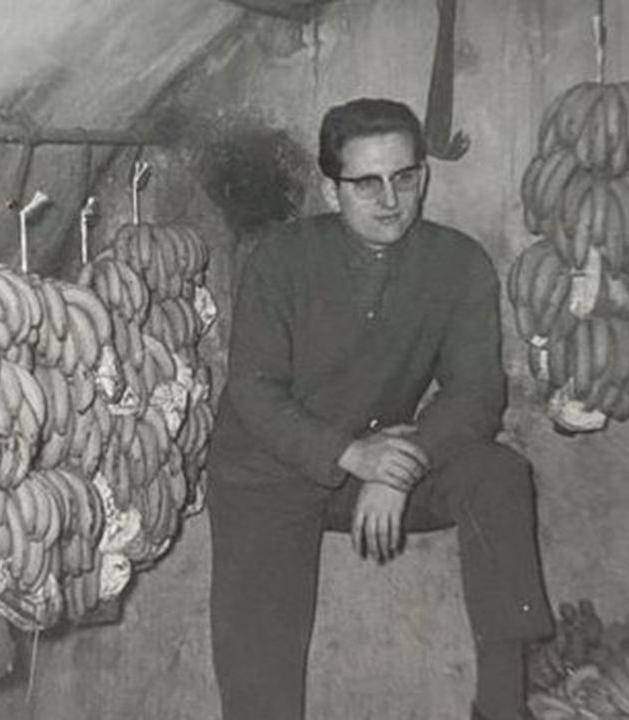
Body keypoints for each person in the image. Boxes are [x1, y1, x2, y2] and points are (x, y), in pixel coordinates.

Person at [206, 98, 554, 720]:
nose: (390, 199)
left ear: (424, 174)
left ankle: (502, 706)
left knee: (498, 475)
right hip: (268, 476)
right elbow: (254, 393)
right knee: (261, 682)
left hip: (379, 466)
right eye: (366, 182)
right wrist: (352, 456)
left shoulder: (458, 262)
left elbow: (477, 394)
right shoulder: (279, 261)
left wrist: (403, 465)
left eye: (406, 177)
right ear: (329, 187)